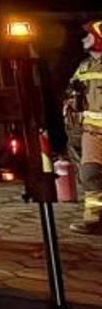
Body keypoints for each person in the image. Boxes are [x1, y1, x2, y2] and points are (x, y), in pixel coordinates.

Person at [65, 21, 102, 235]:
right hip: (92, 132)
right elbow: (72, 91)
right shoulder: (85, 66)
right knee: (90, 174)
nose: (83, 40)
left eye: (87, 36)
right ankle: (94, 220)